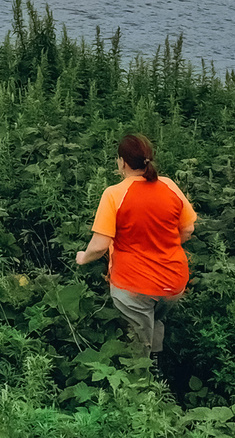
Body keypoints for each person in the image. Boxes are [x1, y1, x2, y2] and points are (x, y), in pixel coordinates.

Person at [73, 135, 195, 354]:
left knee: (138, 338)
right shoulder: (169, 186)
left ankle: (143, 376)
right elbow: (187, 229)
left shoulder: (114, 194)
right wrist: (165, 245)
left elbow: (100, 245)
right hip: (173, 284)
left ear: (122, 162)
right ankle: (156, 362)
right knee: (154, 319)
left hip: (133, 286)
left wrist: (83, 257)